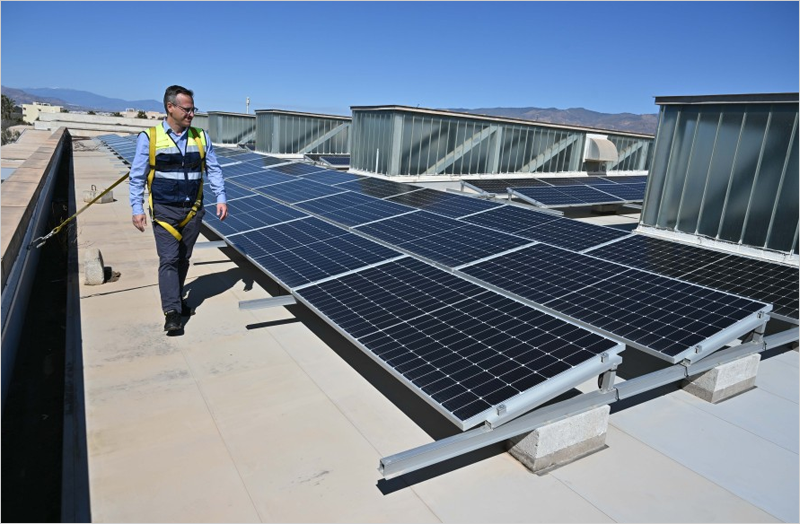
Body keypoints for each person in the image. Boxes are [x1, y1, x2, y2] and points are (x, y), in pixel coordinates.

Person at [129, 85, 228, 334]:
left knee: (183, 258)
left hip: (193, 211)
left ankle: (176, 298)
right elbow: (137, 176)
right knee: (169, 260)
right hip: (164, 211)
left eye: (193, 109)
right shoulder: (150, 138)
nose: (191, 114)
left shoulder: (200, 137)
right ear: (170, 107)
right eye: (187, 109)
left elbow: (213, 169)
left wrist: (221, 197)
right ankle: (172, 311)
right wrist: (136, 208)